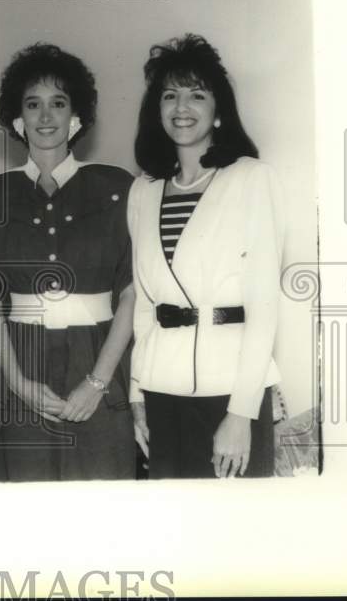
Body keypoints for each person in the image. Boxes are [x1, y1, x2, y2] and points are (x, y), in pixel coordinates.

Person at [0, 43, 136, 481]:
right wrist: (17, 382)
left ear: (76, 115)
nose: (46, 117)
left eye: (58, 103)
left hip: (99, 358)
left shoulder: (118, 189)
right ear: (17, 118)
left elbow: (131, 294)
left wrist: (97, 382)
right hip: (20, 358)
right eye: (33, 104)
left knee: (102, 508)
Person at [129, 34, 283, 479]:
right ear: (156, 110)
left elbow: (264, 309)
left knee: (238, 538)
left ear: (219, 112)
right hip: (161, 392)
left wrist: (241, 416)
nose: (182, 107)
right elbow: (144, 304)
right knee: (175, 536)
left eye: (197, 95)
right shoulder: (143, 191)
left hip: (232, 392)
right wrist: (138, 395)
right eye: (170, 95)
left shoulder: (252, 179)